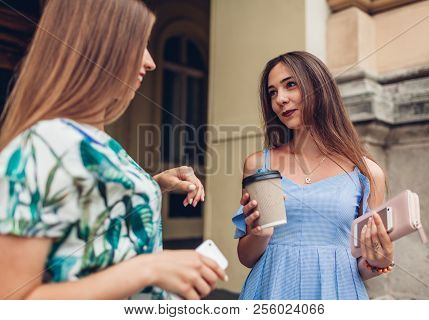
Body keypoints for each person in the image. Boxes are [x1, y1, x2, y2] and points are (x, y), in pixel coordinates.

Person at [0, 0, 226, 300]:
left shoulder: (95, 140)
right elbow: (13, 302)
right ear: (100, 48)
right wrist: (149, 269)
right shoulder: (40, 146)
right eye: (140, 44)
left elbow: (90, 215)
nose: (151, 61)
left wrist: (155, 184)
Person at [232, 51, 394, 299]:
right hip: (270, 292)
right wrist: (258, 234)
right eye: (272, 92)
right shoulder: (259, 165)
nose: (280, 99)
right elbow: (247, 257)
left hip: (338, 294)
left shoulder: (367, 173)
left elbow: (362, 266)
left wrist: (378, 260)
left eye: (290, 85)